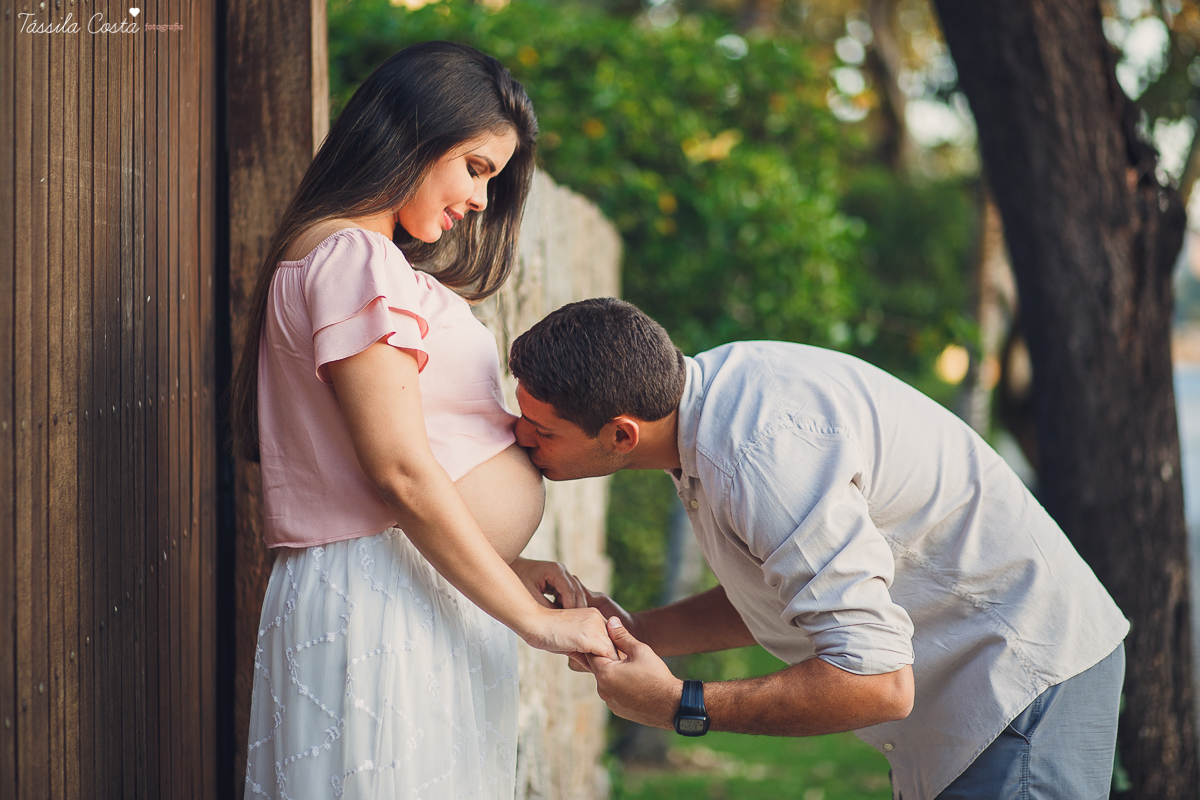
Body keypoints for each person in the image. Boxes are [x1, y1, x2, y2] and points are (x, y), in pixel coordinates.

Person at [506, 297, 1129, 800]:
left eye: (541, 430)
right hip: (974, 690)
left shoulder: (761, 456)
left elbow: (877, 681)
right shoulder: (705, 408)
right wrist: (638, 631)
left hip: (1021, 679)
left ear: (622, 435)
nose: (520, 437)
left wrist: (679, 704)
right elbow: (790, 586)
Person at [228, 42, 613, 799]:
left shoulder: (349, 258)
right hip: (383, 601)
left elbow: (392, 473)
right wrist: (534, 622)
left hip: (410, 586)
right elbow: (399, 471)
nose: (481, 200)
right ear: (414, 132)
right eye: (475, 168)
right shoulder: (356, 259)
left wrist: (505, 569)